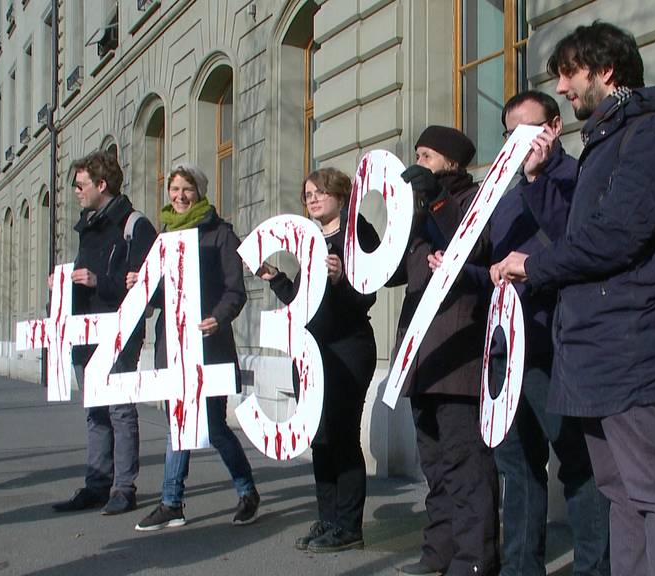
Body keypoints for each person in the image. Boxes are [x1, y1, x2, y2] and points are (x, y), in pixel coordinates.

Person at [491, 21, 655, 576]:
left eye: (569, 73)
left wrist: (534, 265)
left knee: (651, 491)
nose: (563, 88)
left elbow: (616, 236)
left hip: (631, 339)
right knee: (616, 489)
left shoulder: (652, 130)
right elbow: (577, 233)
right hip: (593, 342)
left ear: (605, 70)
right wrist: (541, 179)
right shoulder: (607, 135)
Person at [483, 91, 611, 576]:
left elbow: (579, 251)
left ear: (554, 128)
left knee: (579, 468)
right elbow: (494, 269)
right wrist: (468, 271)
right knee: (516, 470)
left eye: (527, 129)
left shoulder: (578, 179)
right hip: (504, 351)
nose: (517, 143)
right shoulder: (504, 195)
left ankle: (594, 569)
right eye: (508, 133)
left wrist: (538, 178)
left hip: (554, 348)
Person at [391, 126, 499, 576]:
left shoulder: (475, 197)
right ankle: (439, 552)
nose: (419, 160)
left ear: (451, 162)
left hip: (459, 353)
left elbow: (475, 244)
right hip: (421, 355)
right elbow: (391, 270)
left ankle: (476, 560)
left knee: (465, 462)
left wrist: (436, 199)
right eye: (417, 153)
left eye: (428, 154)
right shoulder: (416, 211)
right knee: (434, 462)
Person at [131, 163, 260, 531]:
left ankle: (247, 491)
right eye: (174, 189)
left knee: (214, 427)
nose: (180, 196)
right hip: (173, 346)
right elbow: (158, 296)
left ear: (200, 192)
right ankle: (171, 502)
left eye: (187, 189)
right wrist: (140, 283)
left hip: (210, 346)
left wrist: (218, 317)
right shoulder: (163, 236)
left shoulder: (221, 235)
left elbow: (236, 290)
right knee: (178, 424)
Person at [257, 167, 379, 553]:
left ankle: (349, 527)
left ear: (341, 195)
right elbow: (301, 301)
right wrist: (277, 278)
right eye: (307, 193)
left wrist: (343, 277)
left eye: (320, 191)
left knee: (342, 435)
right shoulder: (309, 240)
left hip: (348, 348)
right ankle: (327, 520)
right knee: (319, 437)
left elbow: (367, 296)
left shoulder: (358, 234)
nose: (311, 198)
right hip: (310, 350)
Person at [51, 150, 158, 515]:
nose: (76, 192)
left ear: (101, 184)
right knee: (95, 411)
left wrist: (101, 281)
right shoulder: (88, 225)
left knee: (119, 410)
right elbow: (84, 278)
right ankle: (97, 484)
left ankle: (123, 488)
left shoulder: (135, 226)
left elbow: (146, 287)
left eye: (80, 185)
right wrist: (63, 285)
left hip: (117, 333)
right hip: (84, 331)